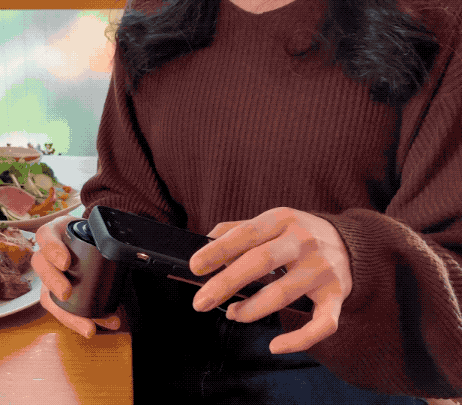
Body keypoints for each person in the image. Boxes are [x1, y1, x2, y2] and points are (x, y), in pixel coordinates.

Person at [31, 0, 462, 403]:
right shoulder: (152, 9)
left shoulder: (443, 24)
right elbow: (127, 196)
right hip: (150, 359)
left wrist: (357, 259)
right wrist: (86, 260)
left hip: (339, 373)